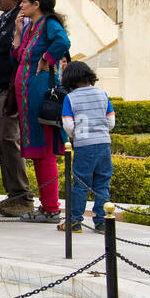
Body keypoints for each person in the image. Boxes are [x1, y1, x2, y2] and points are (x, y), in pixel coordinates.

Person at [14, 0, 71, 222]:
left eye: (25, 1)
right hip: (28, 97)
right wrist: (18, 33)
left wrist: (47, 59)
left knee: (45, 151)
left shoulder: (49, 24)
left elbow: (63, 43)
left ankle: (51, 208)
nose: (21, 5)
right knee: (37, 153)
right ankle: (46, 206)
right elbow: (20, 57)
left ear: (37, 4)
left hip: (41, 96)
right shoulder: (31, 27)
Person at [0, 0, 35, 217]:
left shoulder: (22, 20)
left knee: (10, 139)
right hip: (1, 87)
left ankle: (22, 196)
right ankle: (12, 195)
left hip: (12, 88)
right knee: (3, 141)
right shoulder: (5, 20)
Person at [59, 61, 115, 233]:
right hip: (104, 143)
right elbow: (111, 122)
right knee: (102, 183)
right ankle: (102, 222)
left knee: (81, 183)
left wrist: (77, 135)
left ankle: (74, 221)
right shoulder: (102, 95)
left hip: (84, 145)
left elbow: (68, 125)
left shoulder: (71, 98)